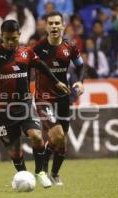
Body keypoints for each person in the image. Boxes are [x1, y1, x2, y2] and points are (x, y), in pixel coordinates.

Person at [0, 19, 70, 188]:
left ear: (19, 35)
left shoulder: (27, 53)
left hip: (25, 104)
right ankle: (22, 176)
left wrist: (56, 82)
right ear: (1, 36)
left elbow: (42, 66)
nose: (11, 42)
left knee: (37, 136)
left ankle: (40, 172)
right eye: (7, 38)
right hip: (4, 109)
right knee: (15, 150)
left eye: (14, 38)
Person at [33, 11, 86, 186]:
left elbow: (81, 67)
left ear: (63, 25)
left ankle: (54, 174)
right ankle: (41, 171)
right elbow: (24, 68)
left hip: (63, 98)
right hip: (43, 98)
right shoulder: (38, 48)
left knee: (61, 141)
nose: (54, 26)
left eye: (57, 23)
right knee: (57, 134)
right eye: (51, 23)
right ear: (46, 26)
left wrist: (79, 81)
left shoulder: (70, 46)